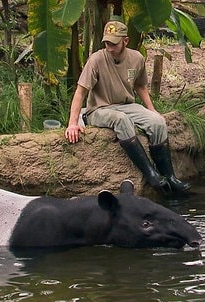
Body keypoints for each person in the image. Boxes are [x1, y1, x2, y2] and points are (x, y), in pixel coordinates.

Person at [64, 20, 190, 193]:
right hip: (100, 109)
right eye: (107, 43)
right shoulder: (96, 59)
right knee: (121, 120)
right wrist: (73, 123)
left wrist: (152, 110)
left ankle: (170, 177)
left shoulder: (136, 58)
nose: (110, 47)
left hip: (127, 105)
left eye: (114, 43)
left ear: (125, 41)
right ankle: (151, 175)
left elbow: (140, 87)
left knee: (157, 123)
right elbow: (80, 92)